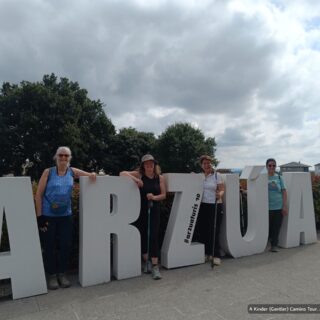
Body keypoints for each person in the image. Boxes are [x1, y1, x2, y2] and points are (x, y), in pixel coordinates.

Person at [35, 146, 97, 290]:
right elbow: (38, 195)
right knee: (49, 246)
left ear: (69, 158)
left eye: (66, 156)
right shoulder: (48, 172)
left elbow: (89, 174)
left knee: (65, 245)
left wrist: (93, 174)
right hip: (48, 216)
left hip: (66, 216)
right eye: (61, 155)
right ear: (56, 157)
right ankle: (52, 275)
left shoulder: (72, 171)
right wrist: (40, 217)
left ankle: (62, 274)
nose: (63, 158)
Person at [120, 154, 166, 280]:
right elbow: (122, 173)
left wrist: (154, 197)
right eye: (146, 164)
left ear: (154, 165)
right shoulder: (139, 175)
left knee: (153, 236)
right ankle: (147, 262)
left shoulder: (159, 178)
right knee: (144, 235)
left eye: (151, 163)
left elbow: (163, 195)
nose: (149, 166)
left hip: (154, 209)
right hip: (140, 211)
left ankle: (155, 266)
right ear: (143, 166)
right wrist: (136, 180)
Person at [193, 155, 224, 266]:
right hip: (202, 206)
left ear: (212, 164)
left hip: (215, 205)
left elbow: (222, 189)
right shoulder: (200, 176)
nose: (207, 165)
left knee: (214, 231)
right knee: (204, 230)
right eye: (204, 163)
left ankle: (216, 255)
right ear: (201, 165)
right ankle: (207, 253)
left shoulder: (217, 176)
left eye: (208, 163)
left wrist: (219, 194)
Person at [266, 158, 288, 252]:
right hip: (267, 208)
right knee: (268, 227)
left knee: (276, 227)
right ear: (266, 166)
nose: (272, 167)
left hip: (278, 207)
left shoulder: (279, 178)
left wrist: (284, 206)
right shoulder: (263, 177)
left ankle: (274, 245)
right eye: (270, 165)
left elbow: (284, 192)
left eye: (274, 165)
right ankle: (266, 243)